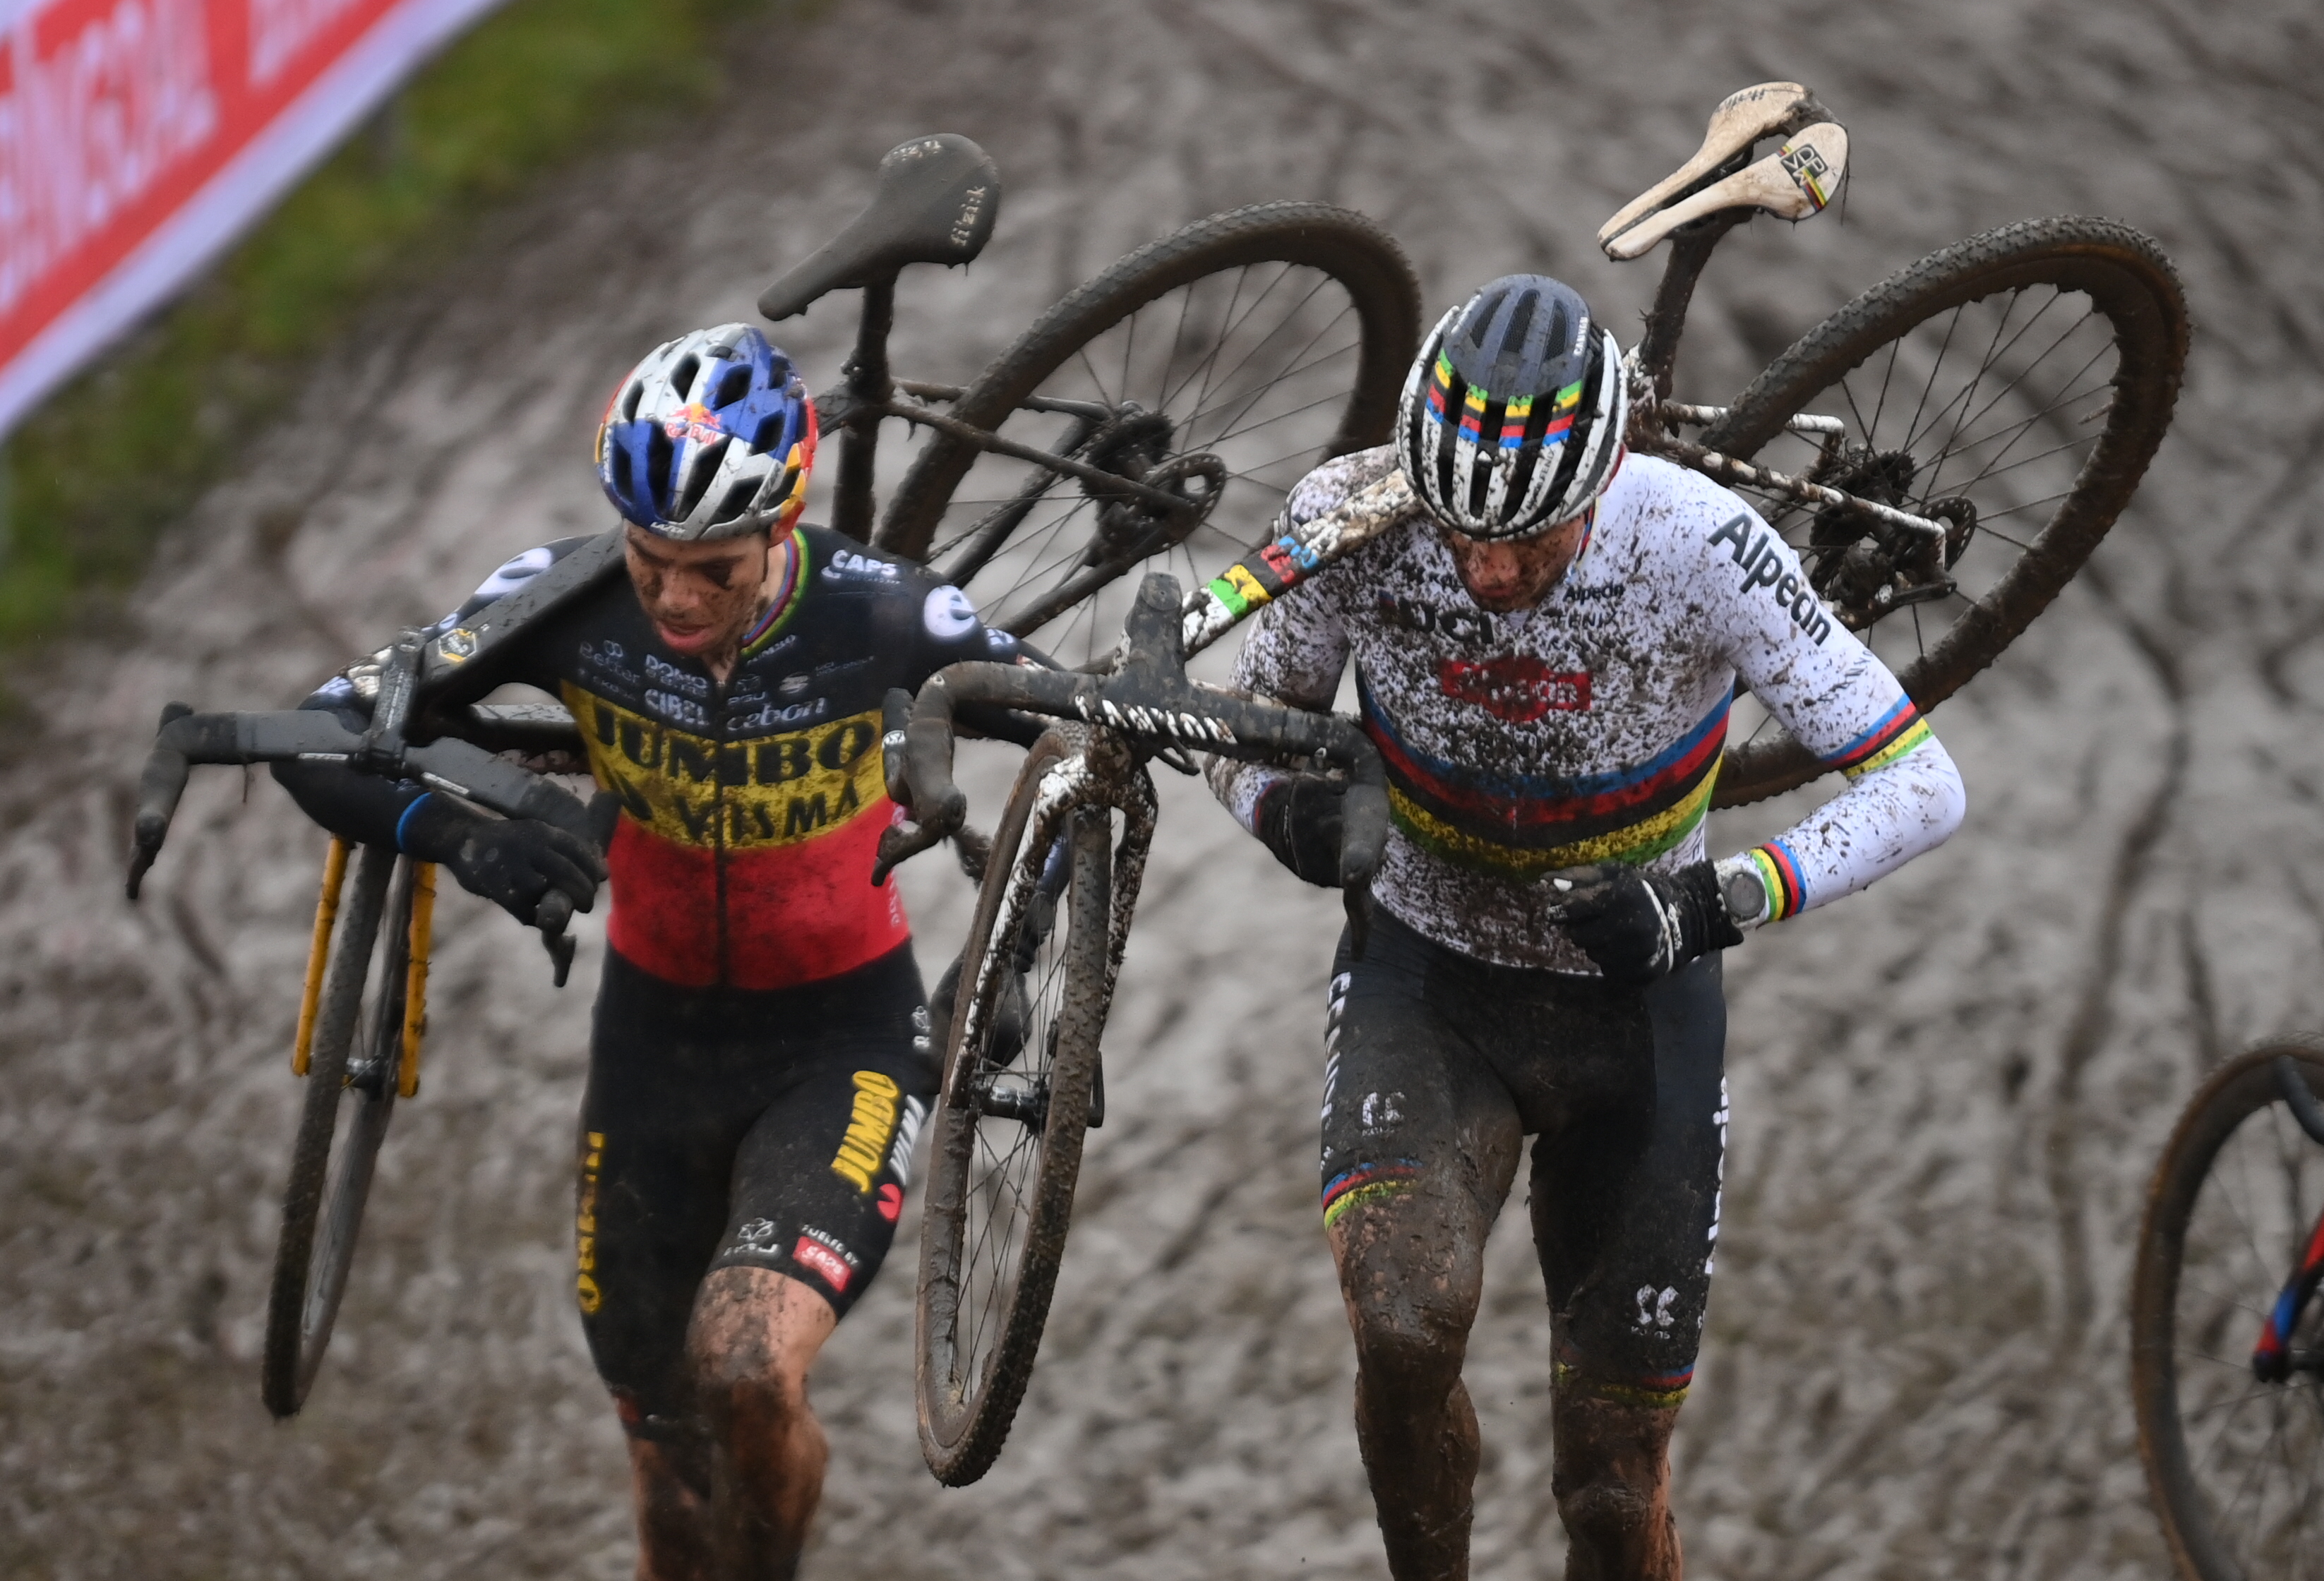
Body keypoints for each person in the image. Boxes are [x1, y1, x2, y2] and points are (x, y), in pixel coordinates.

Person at [1206, 275, 1964, 1580]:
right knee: (1401, 1330)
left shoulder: (1702, 543)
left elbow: (1921, 783)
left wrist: (1713, 900)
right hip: (1427, 982)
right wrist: (1282, 813)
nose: (1491, 571)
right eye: (1461, 537)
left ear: (1605, 478)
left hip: (1642, 1020)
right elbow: (1231, 726)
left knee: (1611, 1495)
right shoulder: (1351, 518)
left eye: (1532, 542)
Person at [275, 323, 1027, 1579]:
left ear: (782, 528)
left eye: (712, 571)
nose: (674, 598)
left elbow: (1087, 758)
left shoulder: (891, 616)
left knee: (743, 1366)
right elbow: (321, 732)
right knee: (669, 1463)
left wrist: (997, 963)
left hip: (840, 1044)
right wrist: (462, 841)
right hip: (649, 1048)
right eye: (647, 560)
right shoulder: (565, 596)